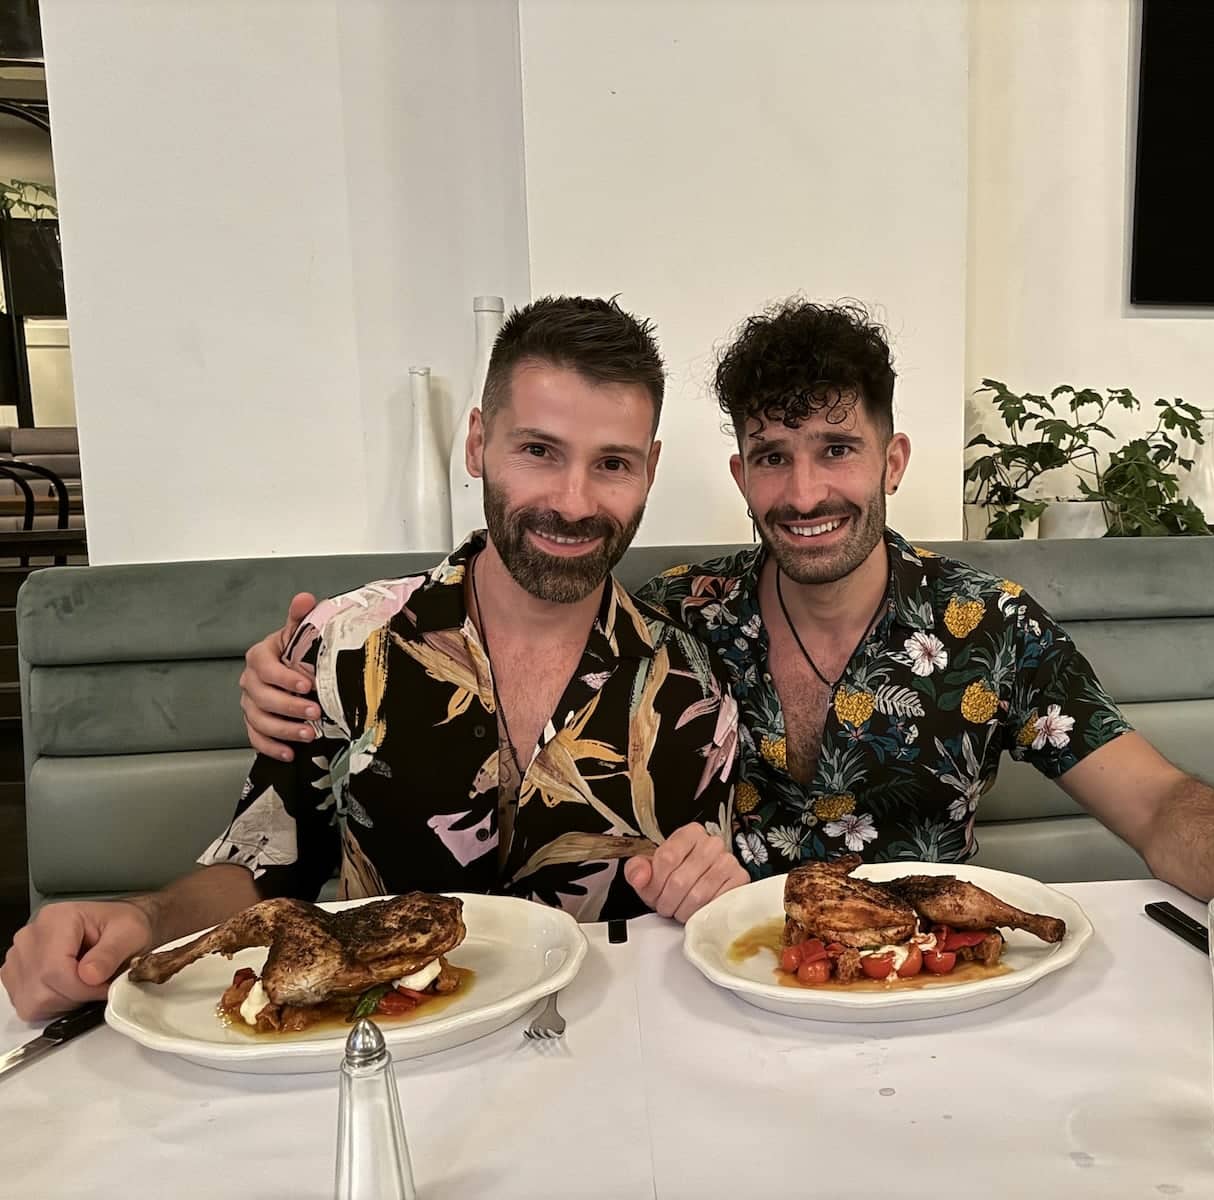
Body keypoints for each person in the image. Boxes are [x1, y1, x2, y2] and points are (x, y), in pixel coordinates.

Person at [235, 299, 1214, 1002]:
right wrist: (303, 658)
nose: (804, 492)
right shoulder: (680, 620)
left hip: (942, 999)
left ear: (893, 460)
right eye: (770, 455)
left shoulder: (991, 630)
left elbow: (1159, 801)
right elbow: (528, 603)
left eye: (837, 451)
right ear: (737, 467)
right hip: (723, 999)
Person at [2, 296, 746, 1022]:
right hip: (375, 1054)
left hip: (604, 1059)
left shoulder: (693, 690)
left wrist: (710, 891)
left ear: (648, 468)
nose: (574, 501)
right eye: (539, 451)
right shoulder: (341, 646)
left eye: (611, 463)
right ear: (479, 441)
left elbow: (697, 911)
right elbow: (261, 869)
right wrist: (142, 918)